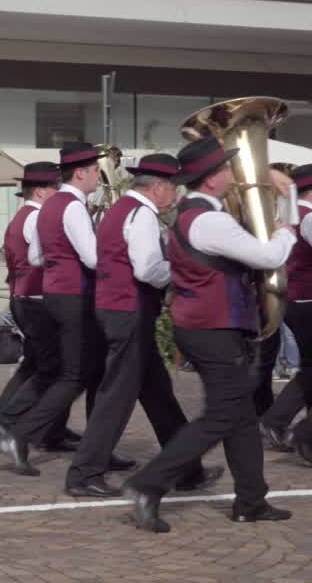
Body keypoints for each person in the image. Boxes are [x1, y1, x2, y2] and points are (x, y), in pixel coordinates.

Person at [124, 137, 296, 533]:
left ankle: (251, 500)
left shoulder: (193, 213)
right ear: (212, 179)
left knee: (241, 416)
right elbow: (269, 256)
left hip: (205, 326)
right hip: (212, 329)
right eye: (226, 169)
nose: (233, 175)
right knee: (222, 415)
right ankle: (147, 484)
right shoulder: (209, 220)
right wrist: (284, 229)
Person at [64, 155, 219, 498]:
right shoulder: (142, 214)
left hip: (120, 309)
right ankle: (84, 473)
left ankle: (186, 470)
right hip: (129, 310)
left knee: (158, 394)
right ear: (159, 187)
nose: (175, 197)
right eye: (173, 189)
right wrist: (182, 273)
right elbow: (148, 269)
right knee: (117, 396)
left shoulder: (122, 209)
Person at [0, 143, 133, 477]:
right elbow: (91, 258)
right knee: (75, 375)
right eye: (95, 173)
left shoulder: (50, 206)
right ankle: (20, 435)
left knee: (92, 371)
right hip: (76, 296)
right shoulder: (72, 206)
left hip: (56, 295)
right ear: (82, 172)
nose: (98, 179)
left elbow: (36, 258)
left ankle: (98, 447)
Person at [0, 163, 70, 443]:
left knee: (33, 366)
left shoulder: (26, 216)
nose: (59, 192)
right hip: (36, 300)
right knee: (54, 368)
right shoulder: (36, 218)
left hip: (25, 298)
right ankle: (9, 423)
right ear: (41, 191)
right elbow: (47, 256)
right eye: (56, 187)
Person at [260, 164, 312, 451]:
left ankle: (276, 422)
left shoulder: (294, 215)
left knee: (309, 369)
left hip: (295, 299)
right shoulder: (308, 218)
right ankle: (291, 429)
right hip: (307, 300)